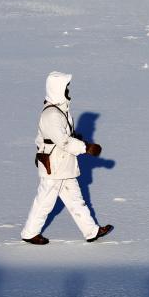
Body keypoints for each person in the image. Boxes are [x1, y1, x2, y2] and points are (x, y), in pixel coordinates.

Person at [20, 71, 113, 245]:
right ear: (58, 90)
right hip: (55, 166)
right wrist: (86, 148)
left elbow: (65, 136)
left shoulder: (59, 110)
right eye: (66, 88)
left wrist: (79, 141)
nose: (69, 91)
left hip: (63, 164)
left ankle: (91, 230)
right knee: (45, 201)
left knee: (76, 200)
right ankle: (29, 232)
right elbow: (63, 141)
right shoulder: (52, 114)